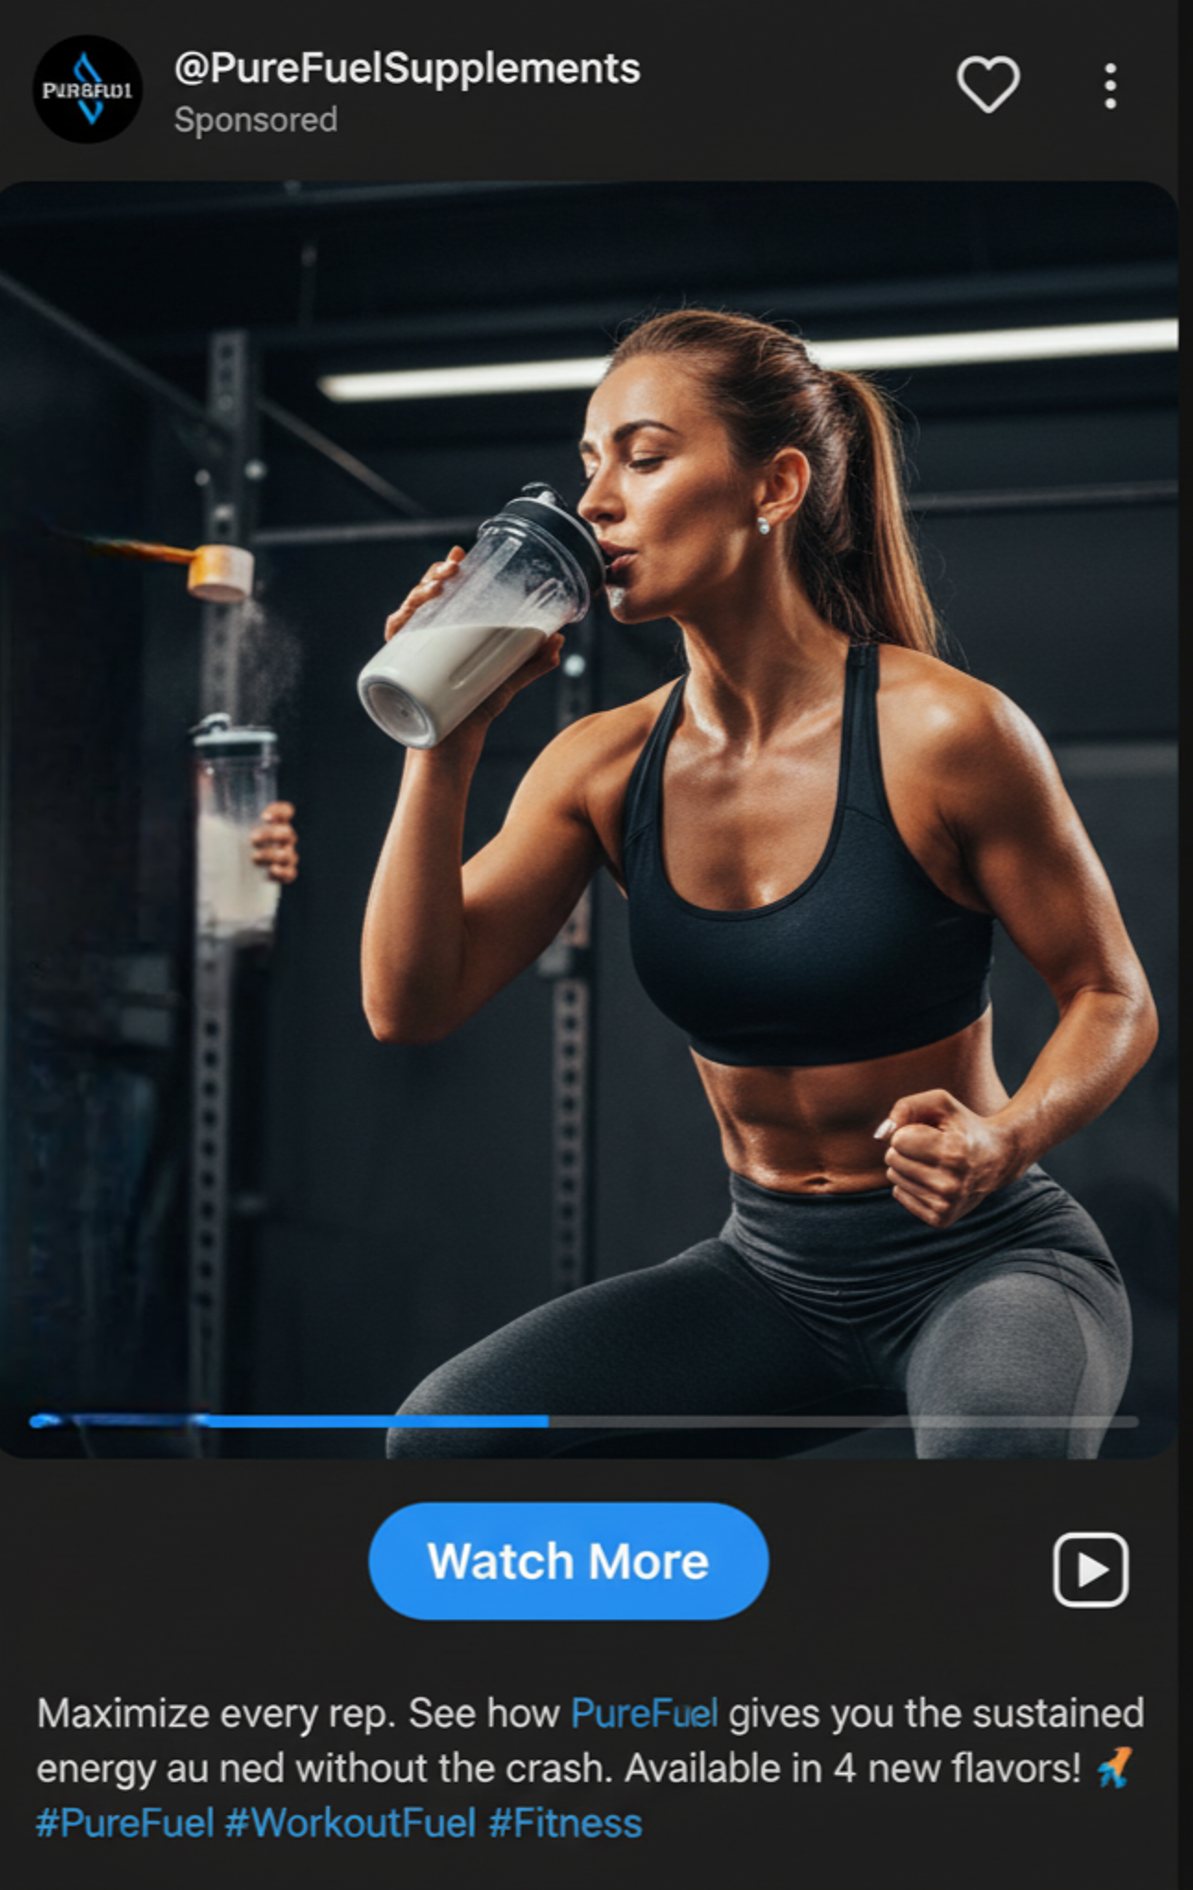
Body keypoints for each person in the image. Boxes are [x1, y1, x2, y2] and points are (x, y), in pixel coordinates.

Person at [361, 309, 1156, 1461]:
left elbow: (1113, 995)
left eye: (642, 456)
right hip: (770, 1275)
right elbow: (408, 1002)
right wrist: (442, 741)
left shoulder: (945, 733)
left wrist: (1007, 1136)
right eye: (590, 465)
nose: (595, 504)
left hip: (983, 1261)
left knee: (994, 1476)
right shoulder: (600, 765)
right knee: (445, 1443)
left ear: (774, 486)